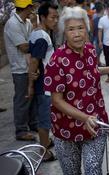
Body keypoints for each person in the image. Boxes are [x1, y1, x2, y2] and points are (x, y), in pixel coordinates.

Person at [44, 6, 109, 175]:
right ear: (64, 32)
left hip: (95, 123)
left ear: (86, 29)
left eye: (80, 28)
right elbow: (57, 101)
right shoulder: (57, 60)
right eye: (71, 29)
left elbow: (92, 70)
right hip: (66, 129)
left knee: (93, 172)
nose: (77, 33)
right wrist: (84, 118)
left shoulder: (90, 50)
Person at [28, 2, 59, 162]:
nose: (55, 21)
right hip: (44, 86)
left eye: (56, 17)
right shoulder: (41, 36)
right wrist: (30, 86)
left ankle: (45, 143)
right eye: (52, 18)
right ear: (43, 17)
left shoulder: (38, 33)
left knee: (45, 117)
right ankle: (44, 152)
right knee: (44, 120)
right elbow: (34, 61)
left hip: (45, 83)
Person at [3, 0, 38, 141]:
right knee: (22, 99)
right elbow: (24, 47)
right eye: (30, 7)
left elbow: (32, 41)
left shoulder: (27, 23)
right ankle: (21, 130)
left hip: (28, 66)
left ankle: (33, 123)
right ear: (27, 7)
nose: (32, 10)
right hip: (19, 68)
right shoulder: (13, 24)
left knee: (32, 97)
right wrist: (37, 44)